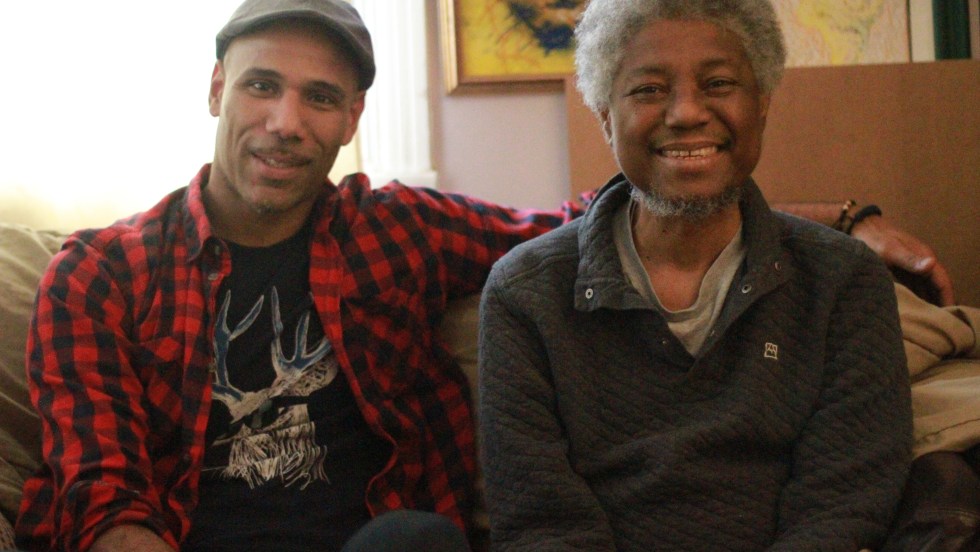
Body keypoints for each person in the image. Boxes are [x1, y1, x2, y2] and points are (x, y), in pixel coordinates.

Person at [11, 0, 951, 551]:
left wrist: (838, 222)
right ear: (218, 88)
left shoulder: (397, 231)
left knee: (414, 540)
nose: (286, 122)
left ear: (352, 120)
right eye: (262, 85)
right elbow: (104, 498)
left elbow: (621, 210)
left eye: (320, 98)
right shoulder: (101, 275)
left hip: (384, 549)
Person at [478, 1, 913, 551]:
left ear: (762, 102)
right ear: (606, 116)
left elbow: (842, 508)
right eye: (649, 89)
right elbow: (542, 524)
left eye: (719, 83)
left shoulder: (844, 282)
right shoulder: (525, 294)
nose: (685, 112)